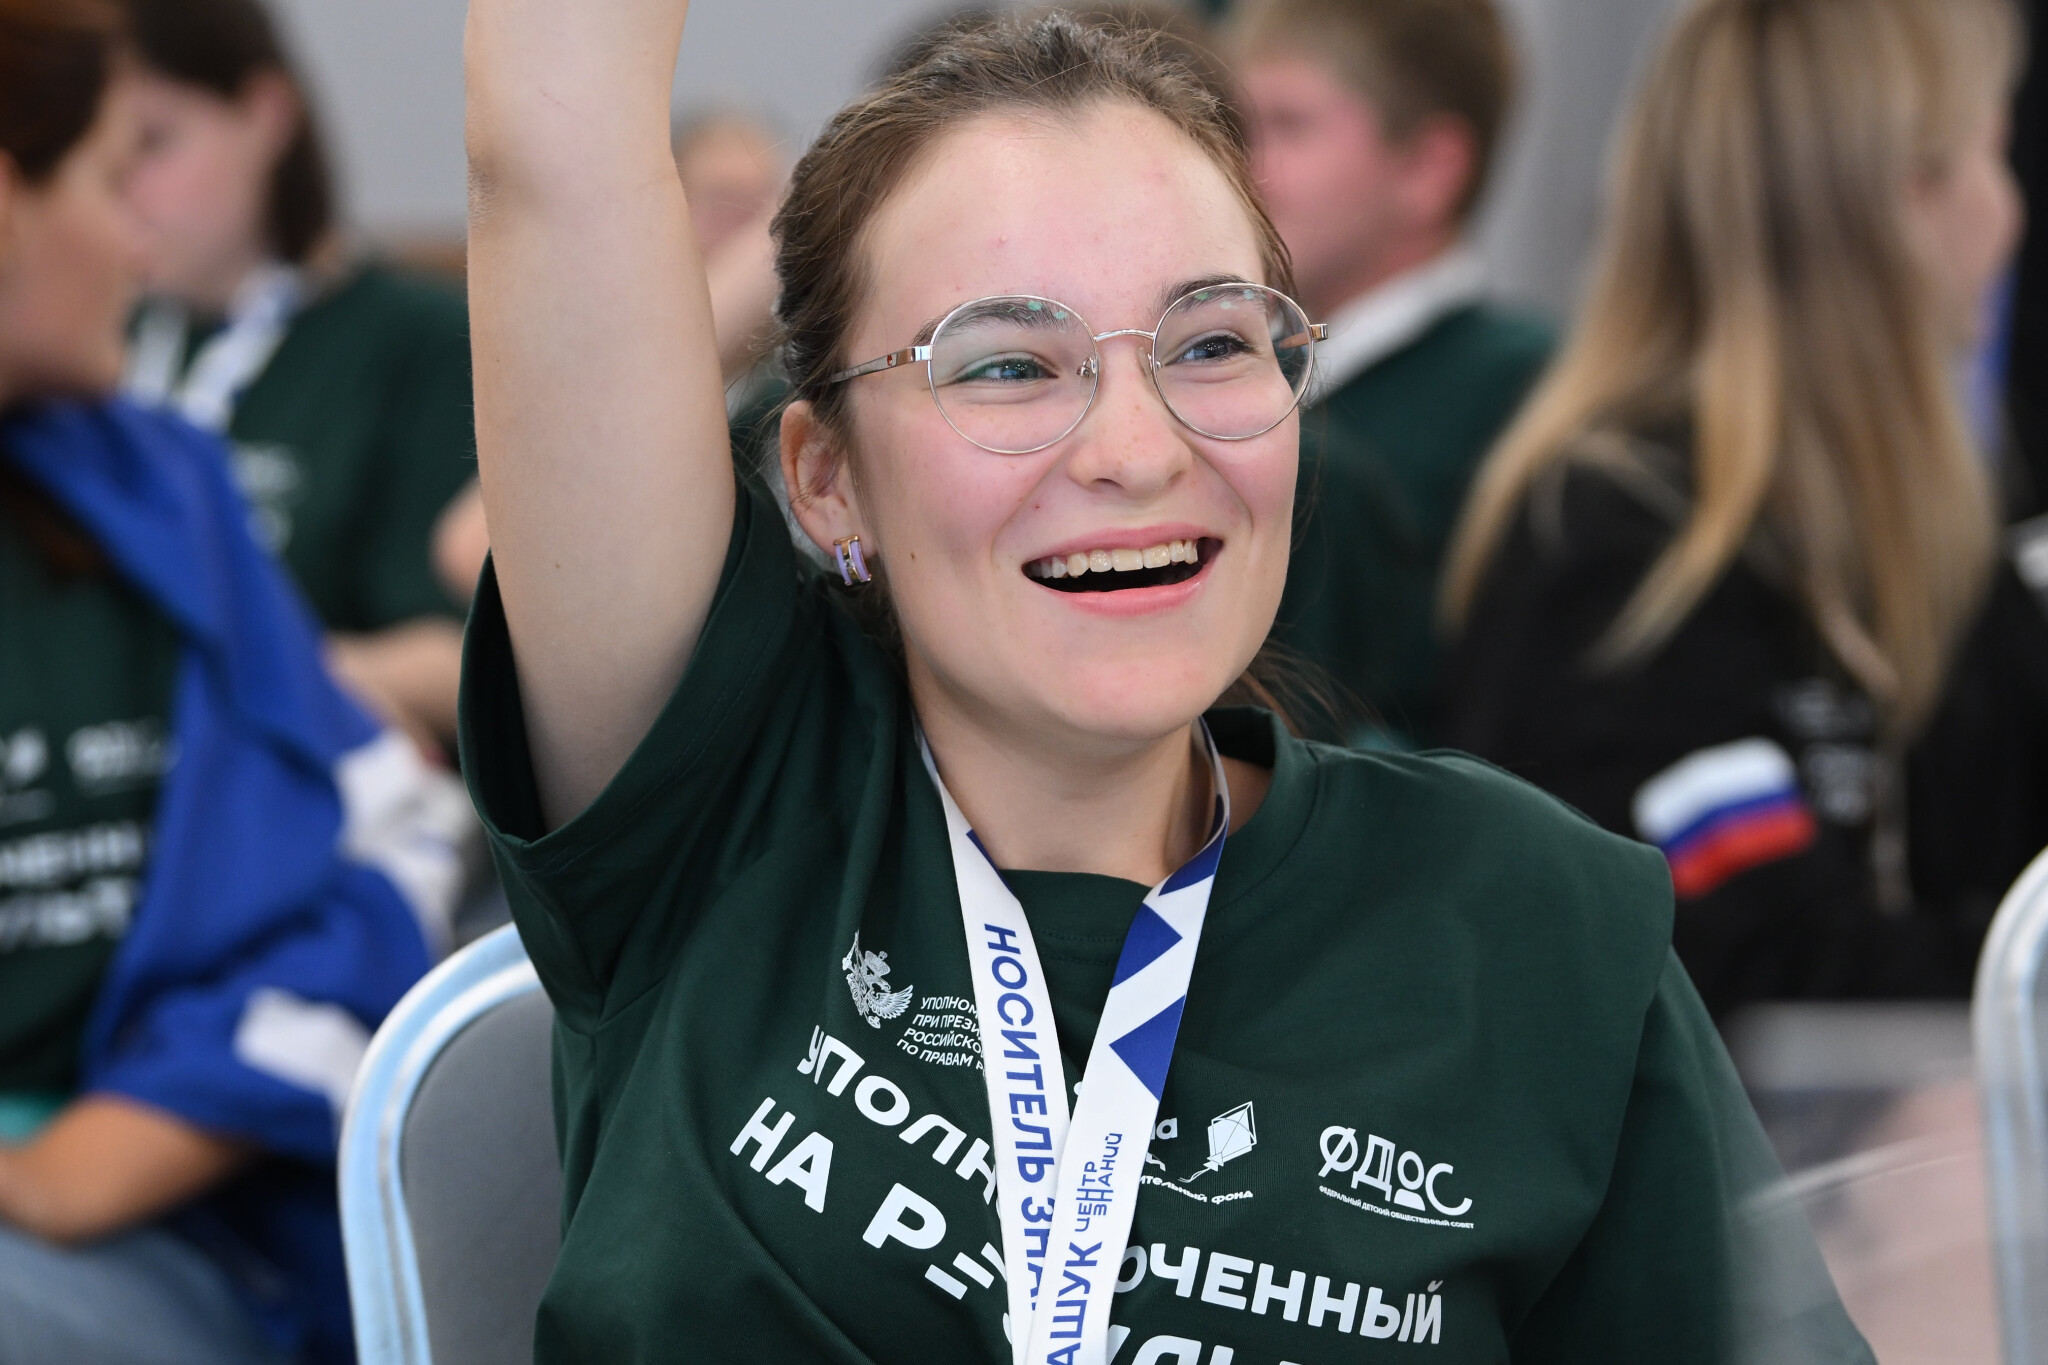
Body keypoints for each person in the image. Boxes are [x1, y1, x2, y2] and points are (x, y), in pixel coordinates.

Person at [462, 4, 1867, 1362]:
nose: (1136, 451)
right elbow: (552, 135)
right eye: (1007, 365)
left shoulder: (1531, 927)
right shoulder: (714, 793)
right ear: (827, 479)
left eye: (1209, 344)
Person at [0, 1, 469, 1359]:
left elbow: (388, 851)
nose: (139, 241)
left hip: (171, 1234)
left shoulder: (167, 495)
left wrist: (94, 1158)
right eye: (110, 176)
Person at [1442, 0, 2038, 1019]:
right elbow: (1765, 982)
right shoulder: (1619, 552)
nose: (2008, 212)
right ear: (1903, 200)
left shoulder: (1933, 548)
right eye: (1990, 153)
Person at [117, 0, 477, 755]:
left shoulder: (422, 341)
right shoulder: (99, 339)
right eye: (98, 155)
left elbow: (469, 662)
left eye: (153, 142)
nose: (126, 190)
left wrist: (225, 677)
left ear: (264, 113)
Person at [1231, 0, 1552, 747]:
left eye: (1289, 125)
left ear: (1427, 170)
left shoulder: (1527, 399)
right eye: (1236, 128)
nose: (1243, 168)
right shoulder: (1226, 375)